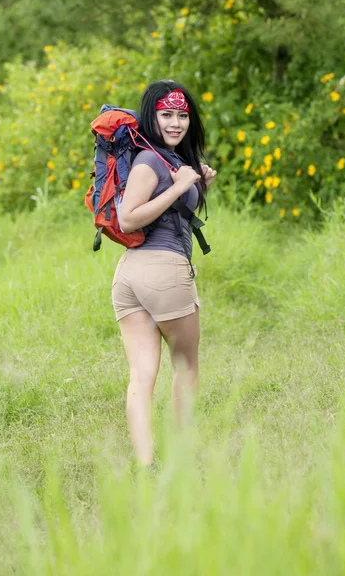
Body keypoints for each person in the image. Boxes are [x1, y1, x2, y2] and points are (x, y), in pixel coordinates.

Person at [112, 80, 217, 466]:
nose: (176, 123)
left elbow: (170, 209)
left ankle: (145, 466)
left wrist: (196, 183)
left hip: (131, 278)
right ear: (151, 117)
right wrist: (179, 188)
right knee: (186, 367)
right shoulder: (149, 161)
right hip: (164, 271)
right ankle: (183, 459)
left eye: (182, 115)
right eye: (167, 114)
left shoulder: (165, 159)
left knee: (141, 375)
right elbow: (128, 217)